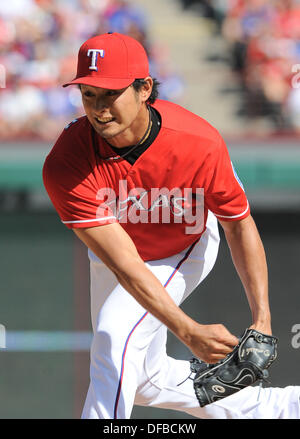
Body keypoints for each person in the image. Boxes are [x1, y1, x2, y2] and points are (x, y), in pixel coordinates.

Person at [43, 32, 300, 419]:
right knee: (143, 381)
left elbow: (238, 224)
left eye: (110, 93)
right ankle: (279, 408)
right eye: (88, 94)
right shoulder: (67, 161)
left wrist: (261, 319)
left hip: (184, 243)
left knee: (115, 337)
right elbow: (126, 264)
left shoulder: (198, 142)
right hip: (122, 256)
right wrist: (187, 330)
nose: (98, 108)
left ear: (144, 88)